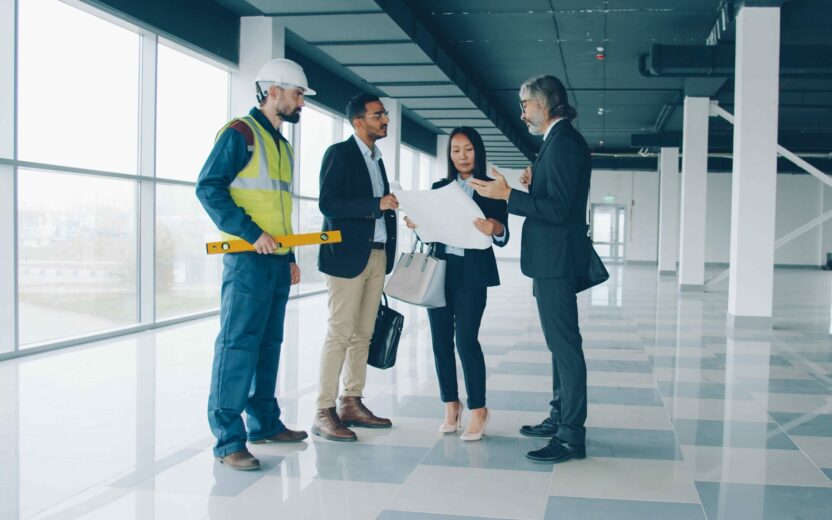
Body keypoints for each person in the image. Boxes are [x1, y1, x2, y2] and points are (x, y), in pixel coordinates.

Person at [196, 58, 312, 471]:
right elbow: (208, 188)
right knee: (238, 345)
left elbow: (279, 209)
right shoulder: (240, 134)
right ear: (274, 92)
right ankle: (228, 440)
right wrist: (249, 233)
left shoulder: (281, 144)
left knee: (268, 344)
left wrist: (291, 255)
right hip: (247, 260)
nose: (302, 103)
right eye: (298, 95)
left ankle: (264, 422)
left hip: (276, 261)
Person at [470, 75, 592, 463]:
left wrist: (510, 195)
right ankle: (560, 417)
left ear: (545, 104)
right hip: (551, 260)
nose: (522, 113)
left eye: (526, 105)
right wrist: (533, 184)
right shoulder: (556, 142)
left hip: (556, 261)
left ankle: (571, 435)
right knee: (560, 347)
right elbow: (558, 199)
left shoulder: (564, 143)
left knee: (566, 348)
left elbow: (558, 211)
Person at [404, 126, 509, 442]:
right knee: (439, 342)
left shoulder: (493, 187)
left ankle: (478, 408)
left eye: (468, 149)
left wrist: (494, 227)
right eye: (455, 150)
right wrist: (417, 225)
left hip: (472, 272)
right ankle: (451, 404)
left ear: (477, 151)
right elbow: (429, 232)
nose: (462, 156)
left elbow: (502, 233)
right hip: (440, 270)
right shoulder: (439, 186)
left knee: (465, 340)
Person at [313, 93, 398, 442]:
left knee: (364, 332)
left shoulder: (377, 160)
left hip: (376, 254)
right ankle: (323, 409)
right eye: (378, 115)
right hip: (347, 257)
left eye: (385, 115)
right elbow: (328, 203)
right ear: (359, 121)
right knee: (340, 333)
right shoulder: (340, 154)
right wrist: (376, 204)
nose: (385, 120)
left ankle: (351, 400)